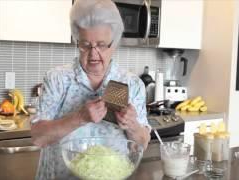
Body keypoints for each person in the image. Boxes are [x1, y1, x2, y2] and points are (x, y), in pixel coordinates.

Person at [30, 0, 150, 179]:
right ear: (77, 41)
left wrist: (132, 125)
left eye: (101, 45)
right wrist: (80, 117)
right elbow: (38, 137)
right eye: (86, 45)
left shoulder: (132, 83)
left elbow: (142, 142)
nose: (94, 54)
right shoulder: (57, 79)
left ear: (114, 43)